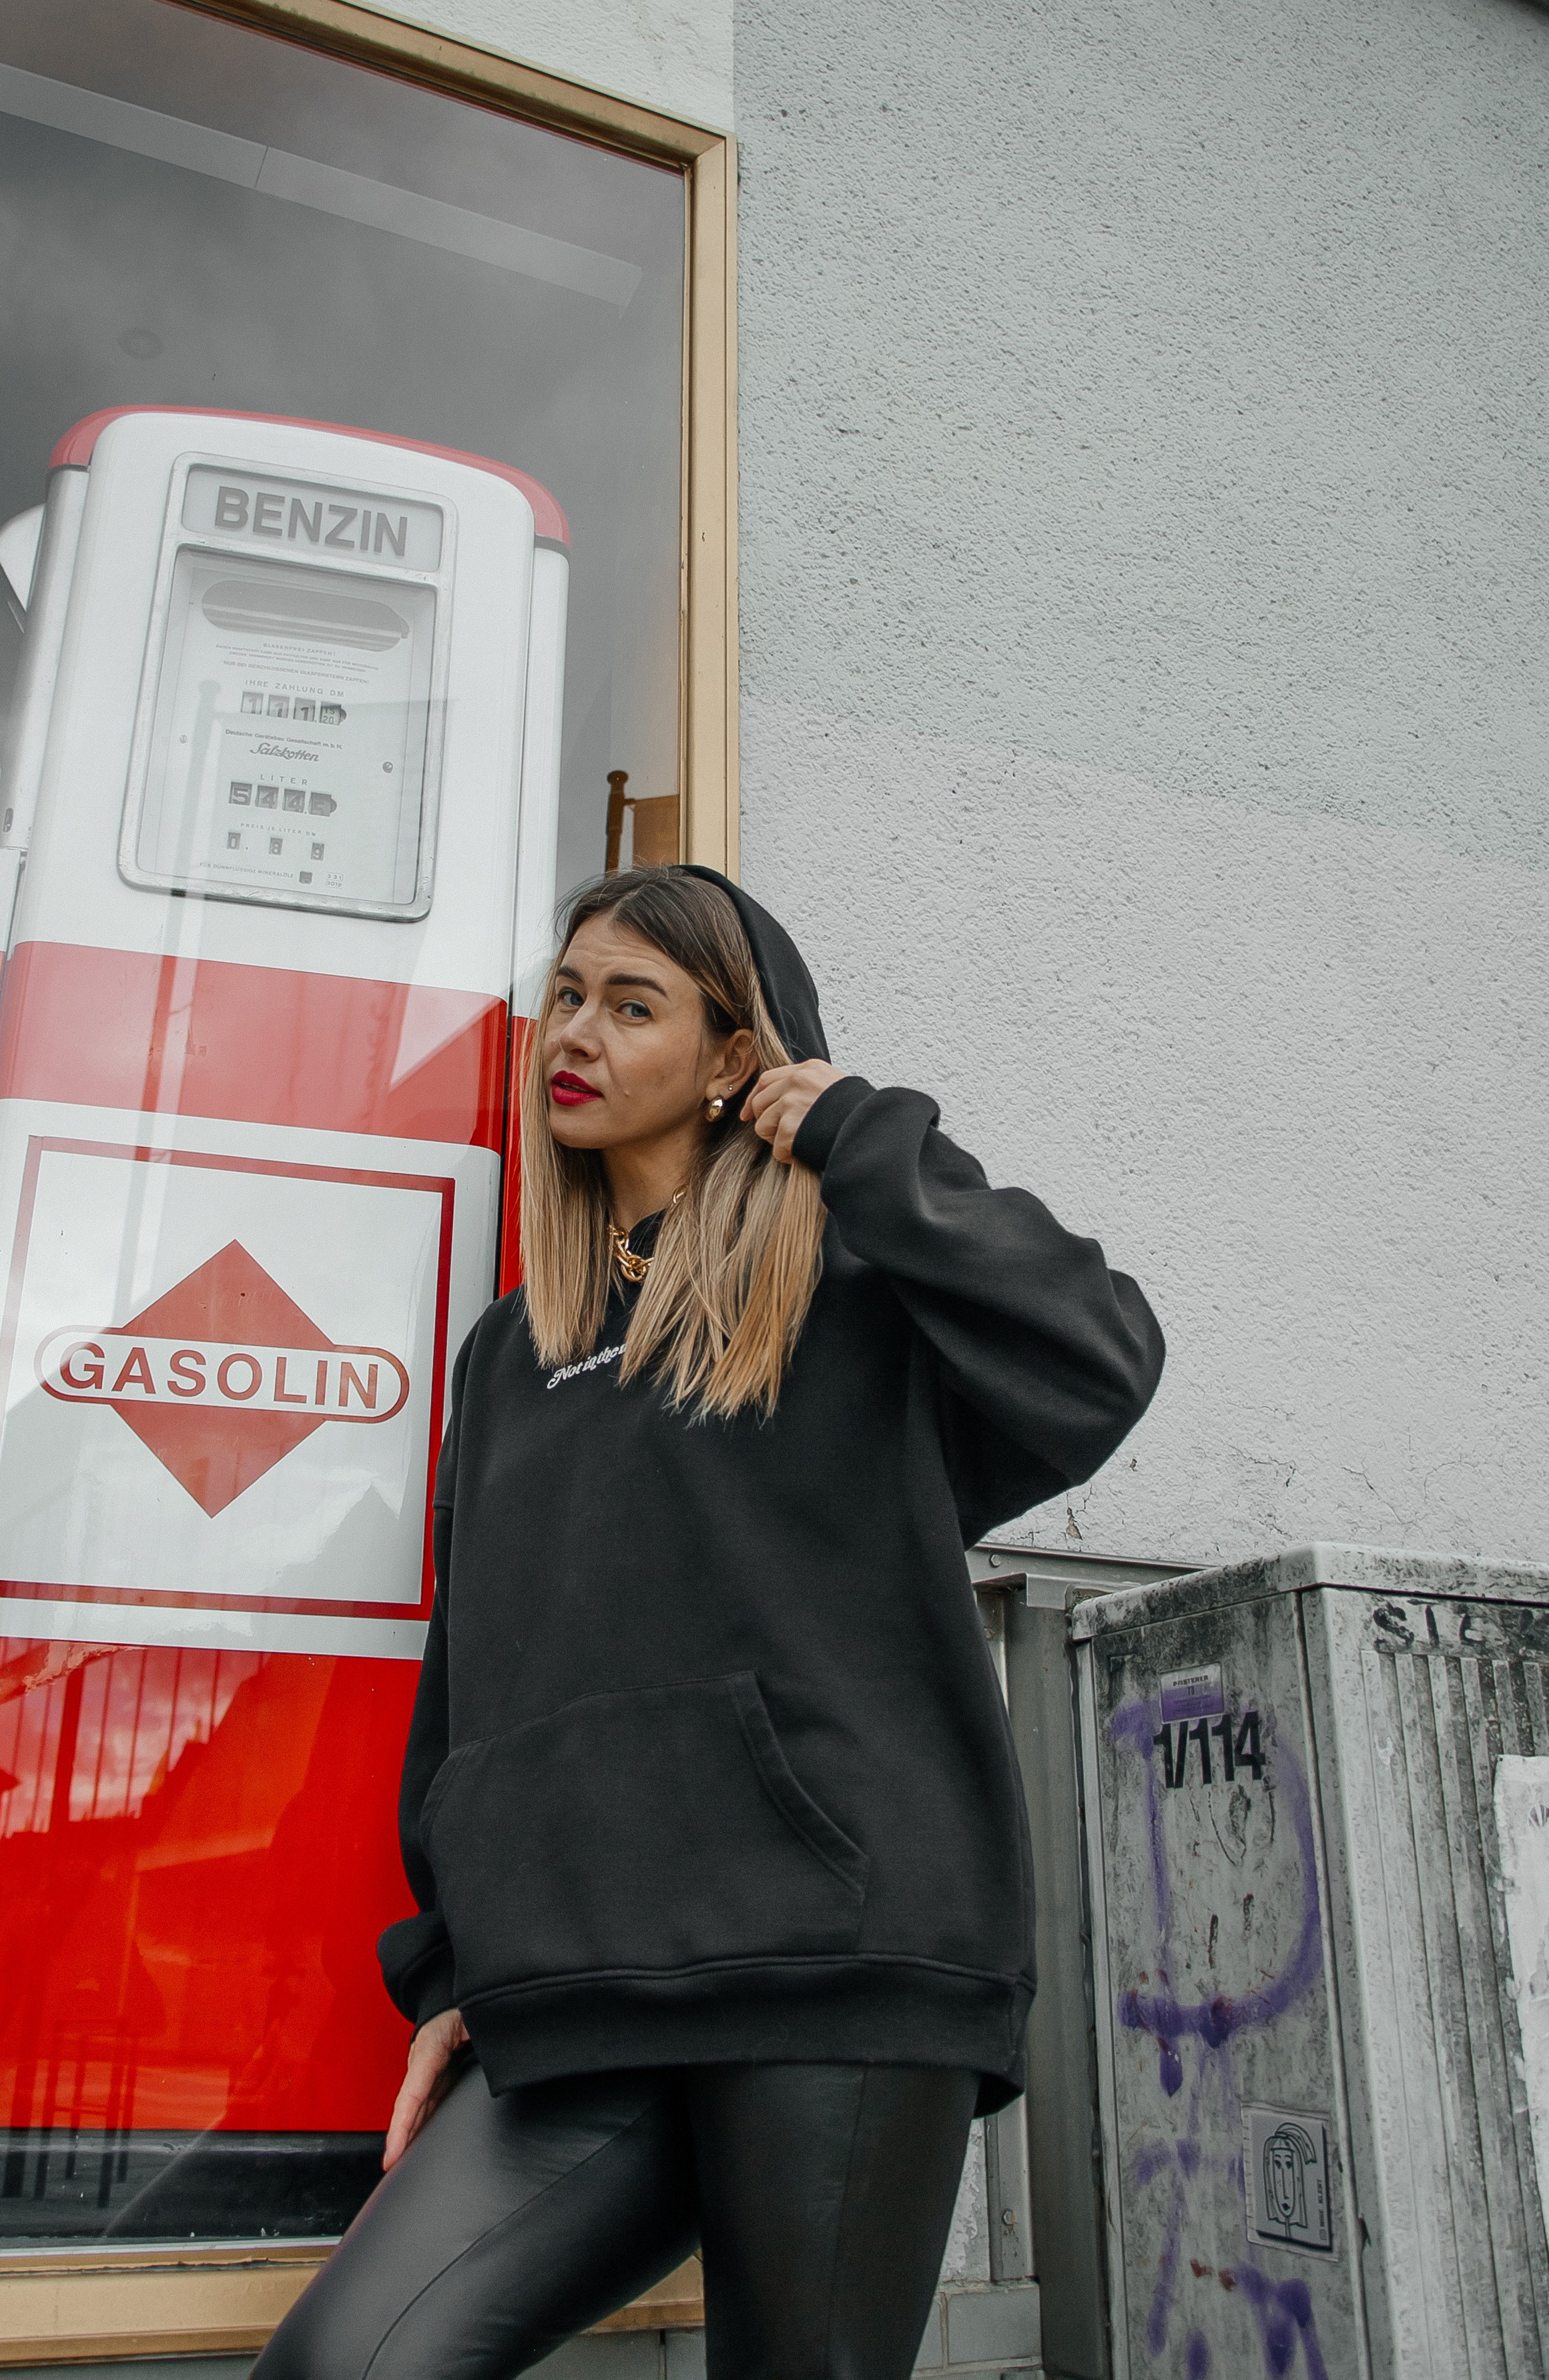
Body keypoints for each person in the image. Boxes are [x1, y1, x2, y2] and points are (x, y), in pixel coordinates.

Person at [256, 865, 1163, 2380]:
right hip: (580, 1996)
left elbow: (1096, 1358)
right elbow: (469, 1682)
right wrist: (453, 1968)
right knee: (347, 2364)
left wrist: (855, 1133)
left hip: (836, 1970)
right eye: (566, 997)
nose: (579, 1033)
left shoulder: (855, 1289)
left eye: (633, 1005)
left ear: (734, 1055)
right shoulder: (507, 1354)